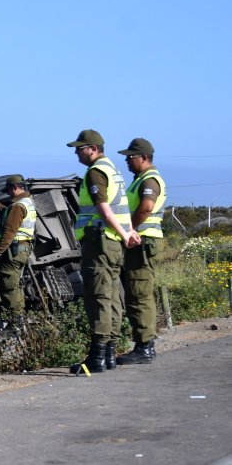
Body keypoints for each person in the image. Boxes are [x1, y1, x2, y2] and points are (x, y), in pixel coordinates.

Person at [67, 129, 140, 374]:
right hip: (113, 244)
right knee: (111, 296)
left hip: (100, 242)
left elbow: (105, 210)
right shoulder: (114, 171)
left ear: (93, 148)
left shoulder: (96, 172)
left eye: (80, 148)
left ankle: (96, 357)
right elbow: (123, 208)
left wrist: (123, 233)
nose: (77, 153)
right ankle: (109, 353)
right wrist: (127, 233)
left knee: (98, 296)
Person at [116, 138, 166, 365]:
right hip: (141, 242)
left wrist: (129, 230)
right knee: (136, 292)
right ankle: (143, 344)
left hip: (144, 242)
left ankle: (145, 347)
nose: (127, 161)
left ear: (144, 157)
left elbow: (146, 207)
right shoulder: (140, 180)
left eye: (130, 157)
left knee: (140, 294)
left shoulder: (150, 180)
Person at [0, 175, 37, 321]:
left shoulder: (18, 206)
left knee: (8, 285)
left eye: (8, 190)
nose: (7, 193)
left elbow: (9, 233)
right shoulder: (27, 203)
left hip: (14, 251)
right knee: (15, 285)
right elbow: (10, 213)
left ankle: (16, 323)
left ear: (15, 187)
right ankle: (20, 318)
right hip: (23, 250)